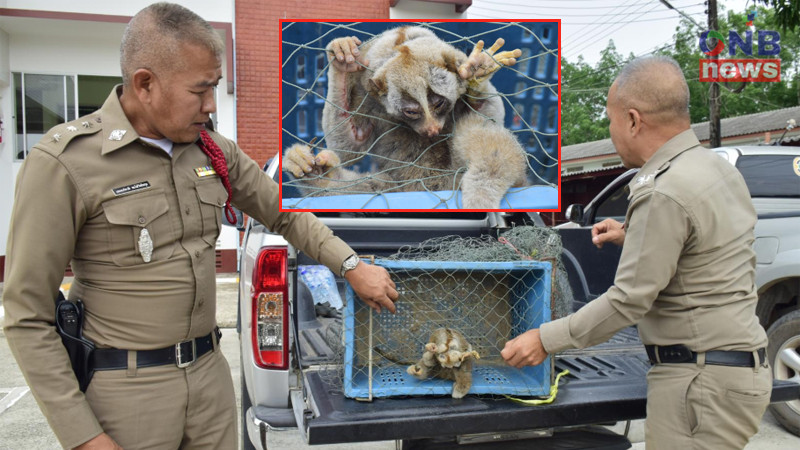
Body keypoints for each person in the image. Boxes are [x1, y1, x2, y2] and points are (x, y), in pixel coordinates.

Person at [2, 3, 397, 450]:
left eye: (216, 88)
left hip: (209, 380)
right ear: (145, 84)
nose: (211, 105)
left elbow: (283, 213)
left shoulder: (212, 150)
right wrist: (83, 436)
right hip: (126, 396)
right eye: (200, 90)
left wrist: (349, 265)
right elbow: (26, 316)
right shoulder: (65, 163)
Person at [501, 55, 771, 449]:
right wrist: (633, 234)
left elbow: (628, 301)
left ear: (632, 120)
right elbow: (705, 245)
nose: (611, 131)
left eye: (610, 120)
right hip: (734, 371)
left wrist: (544, 339)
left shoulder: (663, 190)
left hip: (699, 384)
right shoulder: (715, 169)